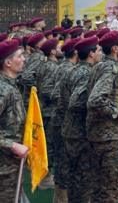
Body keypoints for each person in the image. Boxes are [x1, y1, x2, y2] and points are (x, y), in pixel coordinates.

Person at [86, 31, 118, 203]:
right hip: (109, 137)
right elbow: (95, 99)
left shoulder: (100, 65)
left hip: (100, 134)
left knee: (99, 187)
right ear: (115, 48)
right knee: (109, 189)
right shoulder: (110, 68)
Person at [63, 36, 103, 203]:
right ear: (92, 54)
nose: (101, 53)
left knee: (74, 175)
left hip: (70, 129)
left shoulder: (71, 69)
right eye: (99, 50)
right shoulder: (87, 73)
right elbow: (75, 102)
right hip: (80, 131)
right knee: (83, 177)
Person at [50, 37, 81, 203]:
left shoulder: (64, 67)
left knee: (64, 160)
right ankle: (61, 197)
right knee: (63, 161)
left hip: (62, 120)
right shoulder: (67, 69)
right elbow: (56, 94)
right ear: (76, 52)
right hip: (63, 121)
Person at [0, 39, 29, 202]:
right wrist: (12, 145)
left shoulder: (11, 86)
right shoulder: (3, 90)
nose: (24, 59)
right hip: (3, 169)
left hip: (11, 166)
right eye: (20, 56)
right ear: (8, 63)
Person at [37, 38, 63, 189]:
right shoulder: (51, 67)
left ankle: (46, 175)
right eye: (58, 47)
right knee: (50, 146)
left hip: (49, 112)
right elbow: (47, 90)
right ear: (52, 51)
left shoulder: (49, 65)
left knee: (49, 145)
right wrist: (61, 96)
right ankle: (45, 178)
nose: (61, 49)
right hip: (49, 112)